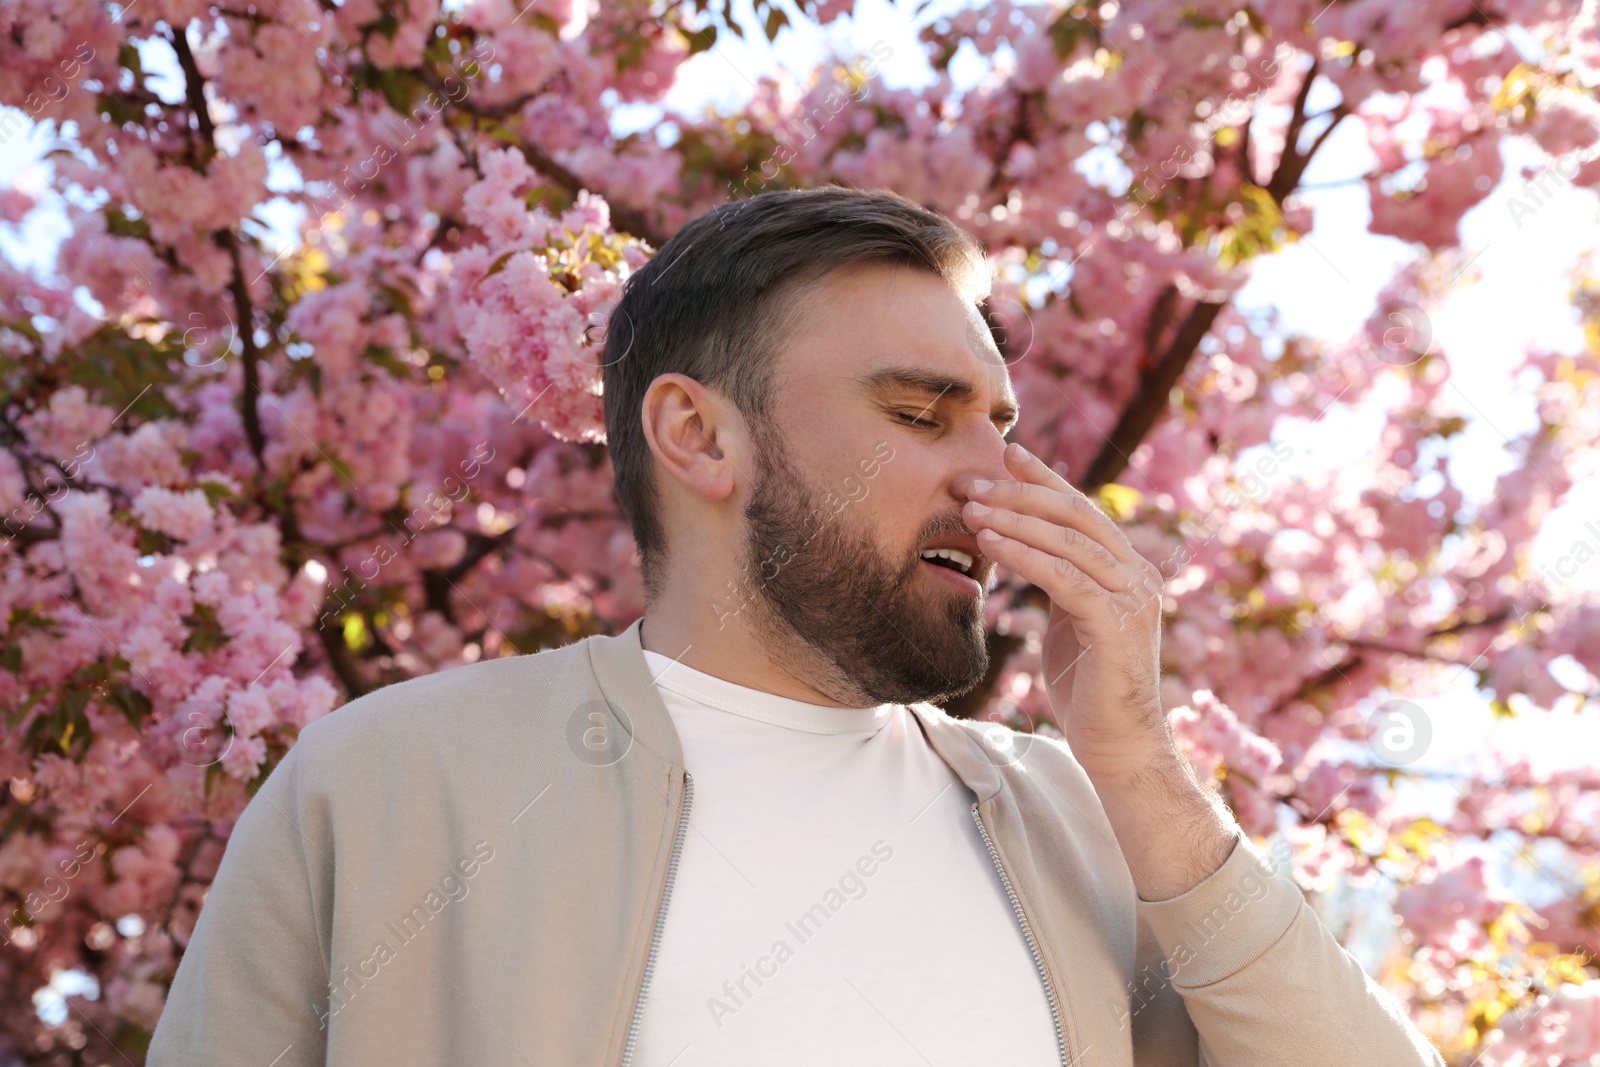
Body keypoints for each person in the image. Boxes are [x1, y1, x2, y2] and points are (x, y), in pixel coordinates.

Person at [148, 186, 1445, 1066]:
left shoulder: (1080, 824)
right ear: (699, 436)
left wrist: (1141, 769)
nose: (995, 483)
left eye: (1003, 428)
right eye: (921, 416)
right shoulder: (387, 788)